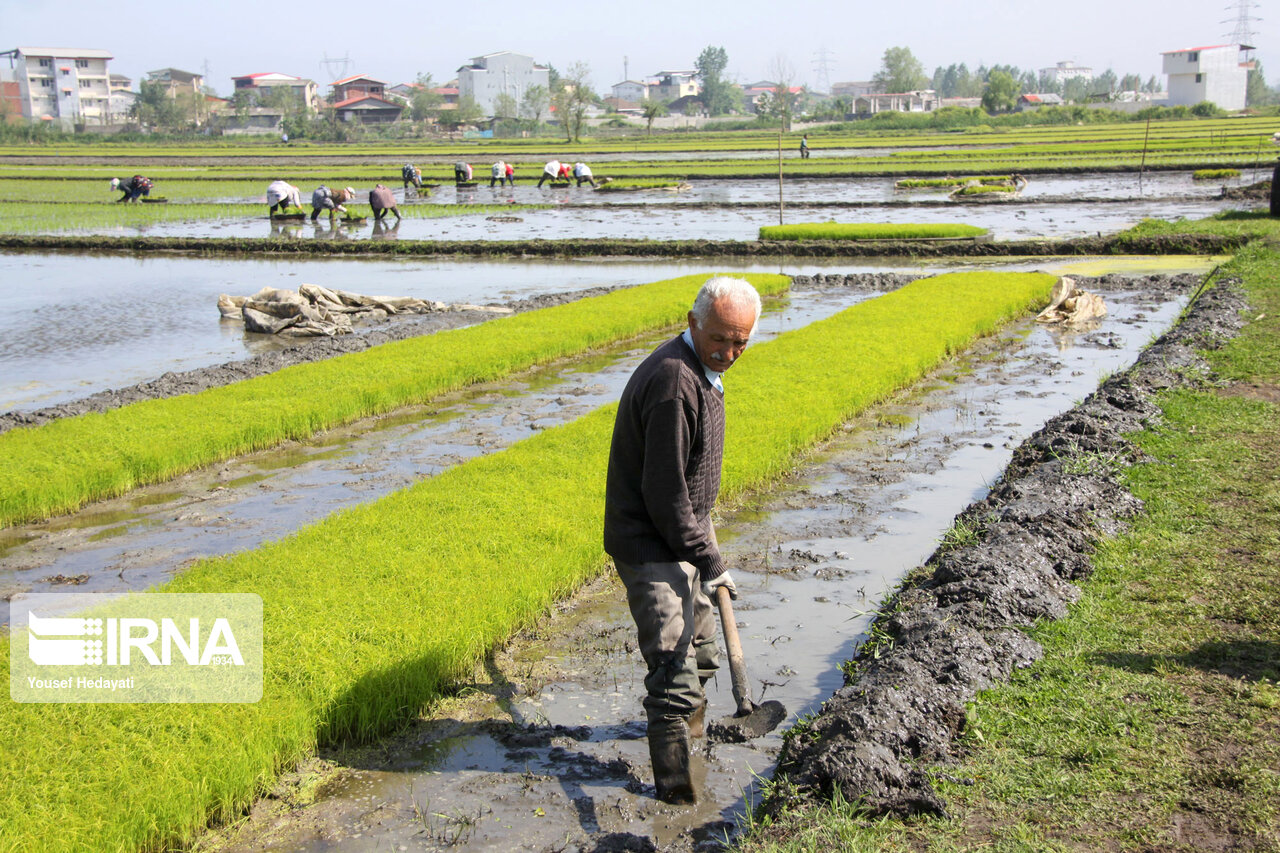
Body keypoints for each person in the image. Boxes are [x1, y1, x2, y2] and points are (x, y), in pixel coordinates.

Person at [603, 276, 762, 805]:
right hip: (652, 544)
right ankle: (677, 798)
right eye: (720, 338)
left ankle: (691, 745)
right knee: (674, 671)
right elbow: (664, 493)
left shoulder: (705, 370)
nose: (730, 352)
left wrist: (702, 536)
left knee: (703, 652)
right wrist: (710, 559)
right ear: (693, 323)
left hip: (684, 530)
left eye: (741, 342)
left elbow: (686, 486)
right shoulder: (675, 382)